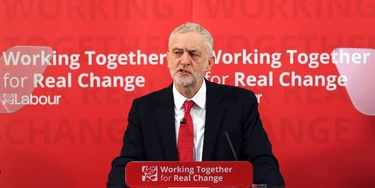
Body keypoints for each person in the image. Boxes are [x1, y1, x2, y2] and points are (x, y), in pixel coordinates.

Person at [106, 22, 285, 188]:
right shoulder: (144, 109)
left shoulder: (240, 104)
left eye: (193, 54)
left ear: (209, 62)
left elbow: (262, 163)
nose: (184, 61)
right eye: (177, 53)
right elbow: (127, 165)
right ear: (168, 60)